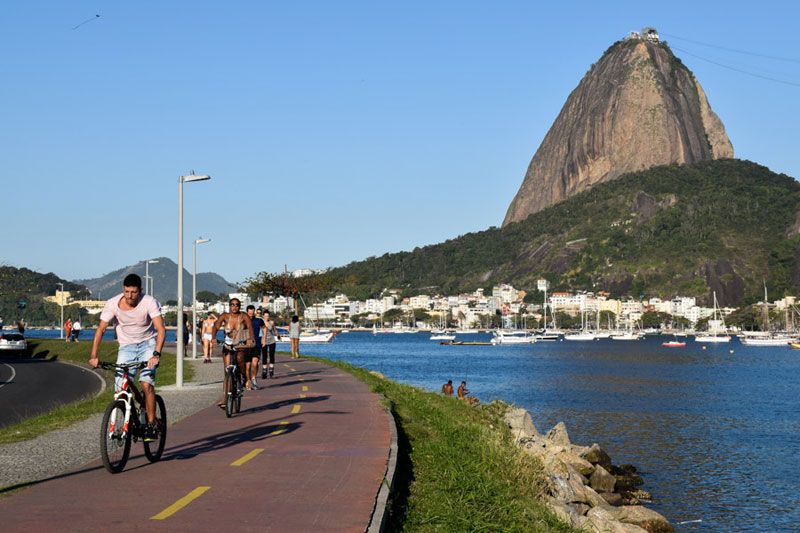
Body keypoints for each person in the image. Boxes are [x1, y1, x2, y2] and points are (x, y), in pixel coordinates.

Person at [89, 274, 166, 442]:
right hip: (126, 348)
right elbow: (101, 329)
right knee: (120, 391)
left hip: (148, 345)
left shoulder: (149, 302)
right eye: (127, 292)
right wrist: (94, 356)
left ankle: (151, 425)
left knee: (146, 383)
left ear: (140, 291)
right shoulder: (112, 304)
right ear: (123, 290)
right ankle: (127, 419)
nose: (130, 296)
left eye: (134, 292)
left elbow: (161, 329)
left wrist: (156, 354)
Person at [212, 298, 254, 406]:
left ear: (240, 306)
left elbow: (250, 327)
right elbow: (216, 326)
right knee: (227, 372)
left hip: (240, 344)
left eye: (237, 305)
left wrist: (250, 339)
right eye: (232, 305)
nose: (234, 307)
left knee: (240, 359)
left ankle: (244, 376)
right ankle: (225, 398)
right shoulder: (225, 316)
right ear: (229, 306)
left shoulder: (244, 316)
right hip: (227, 345)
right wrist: (213, 337)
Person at [246, 305, 264, 390]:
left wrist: (263, 339)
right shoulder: (243, 321)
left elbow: (264, 328)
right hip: (246, 345)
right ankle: (248, 380)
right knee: (248, 365)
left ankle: (253, 378)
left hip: (256, 344)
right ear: (247, 312)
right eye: (249, 312)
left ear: (254, 312)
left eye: (252, 312)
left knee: (255, 363)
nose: (251, 314)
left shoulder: (259, 320)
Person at [262, 310, 280, 379]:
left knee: (271, 355)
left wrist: (278, 335)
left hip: (272, 340)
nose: (267, 317)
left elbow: (275, 330)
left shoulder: (271, 322)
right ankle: (264, 371)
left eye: (268, 316)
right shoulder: (261, 322)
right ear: (263, 316)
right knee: (264, 356)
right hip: (263, 341)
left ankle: (271, 370)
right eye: (265, 316)